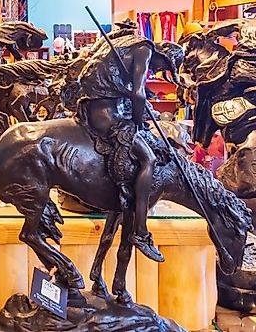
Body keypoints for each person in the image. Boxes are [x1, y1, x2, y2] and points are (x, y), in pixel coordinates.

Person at [76, 27, 183, 263]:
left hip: (96, 106)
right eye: (159, 68)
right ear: (162, 56)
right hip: (106, 113)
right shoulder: (144, 49)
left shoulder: (126, 43)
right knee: (149, 159)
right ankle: (141, 231)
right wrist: (138, 123)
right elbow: (138, 93)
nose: (155, 71)